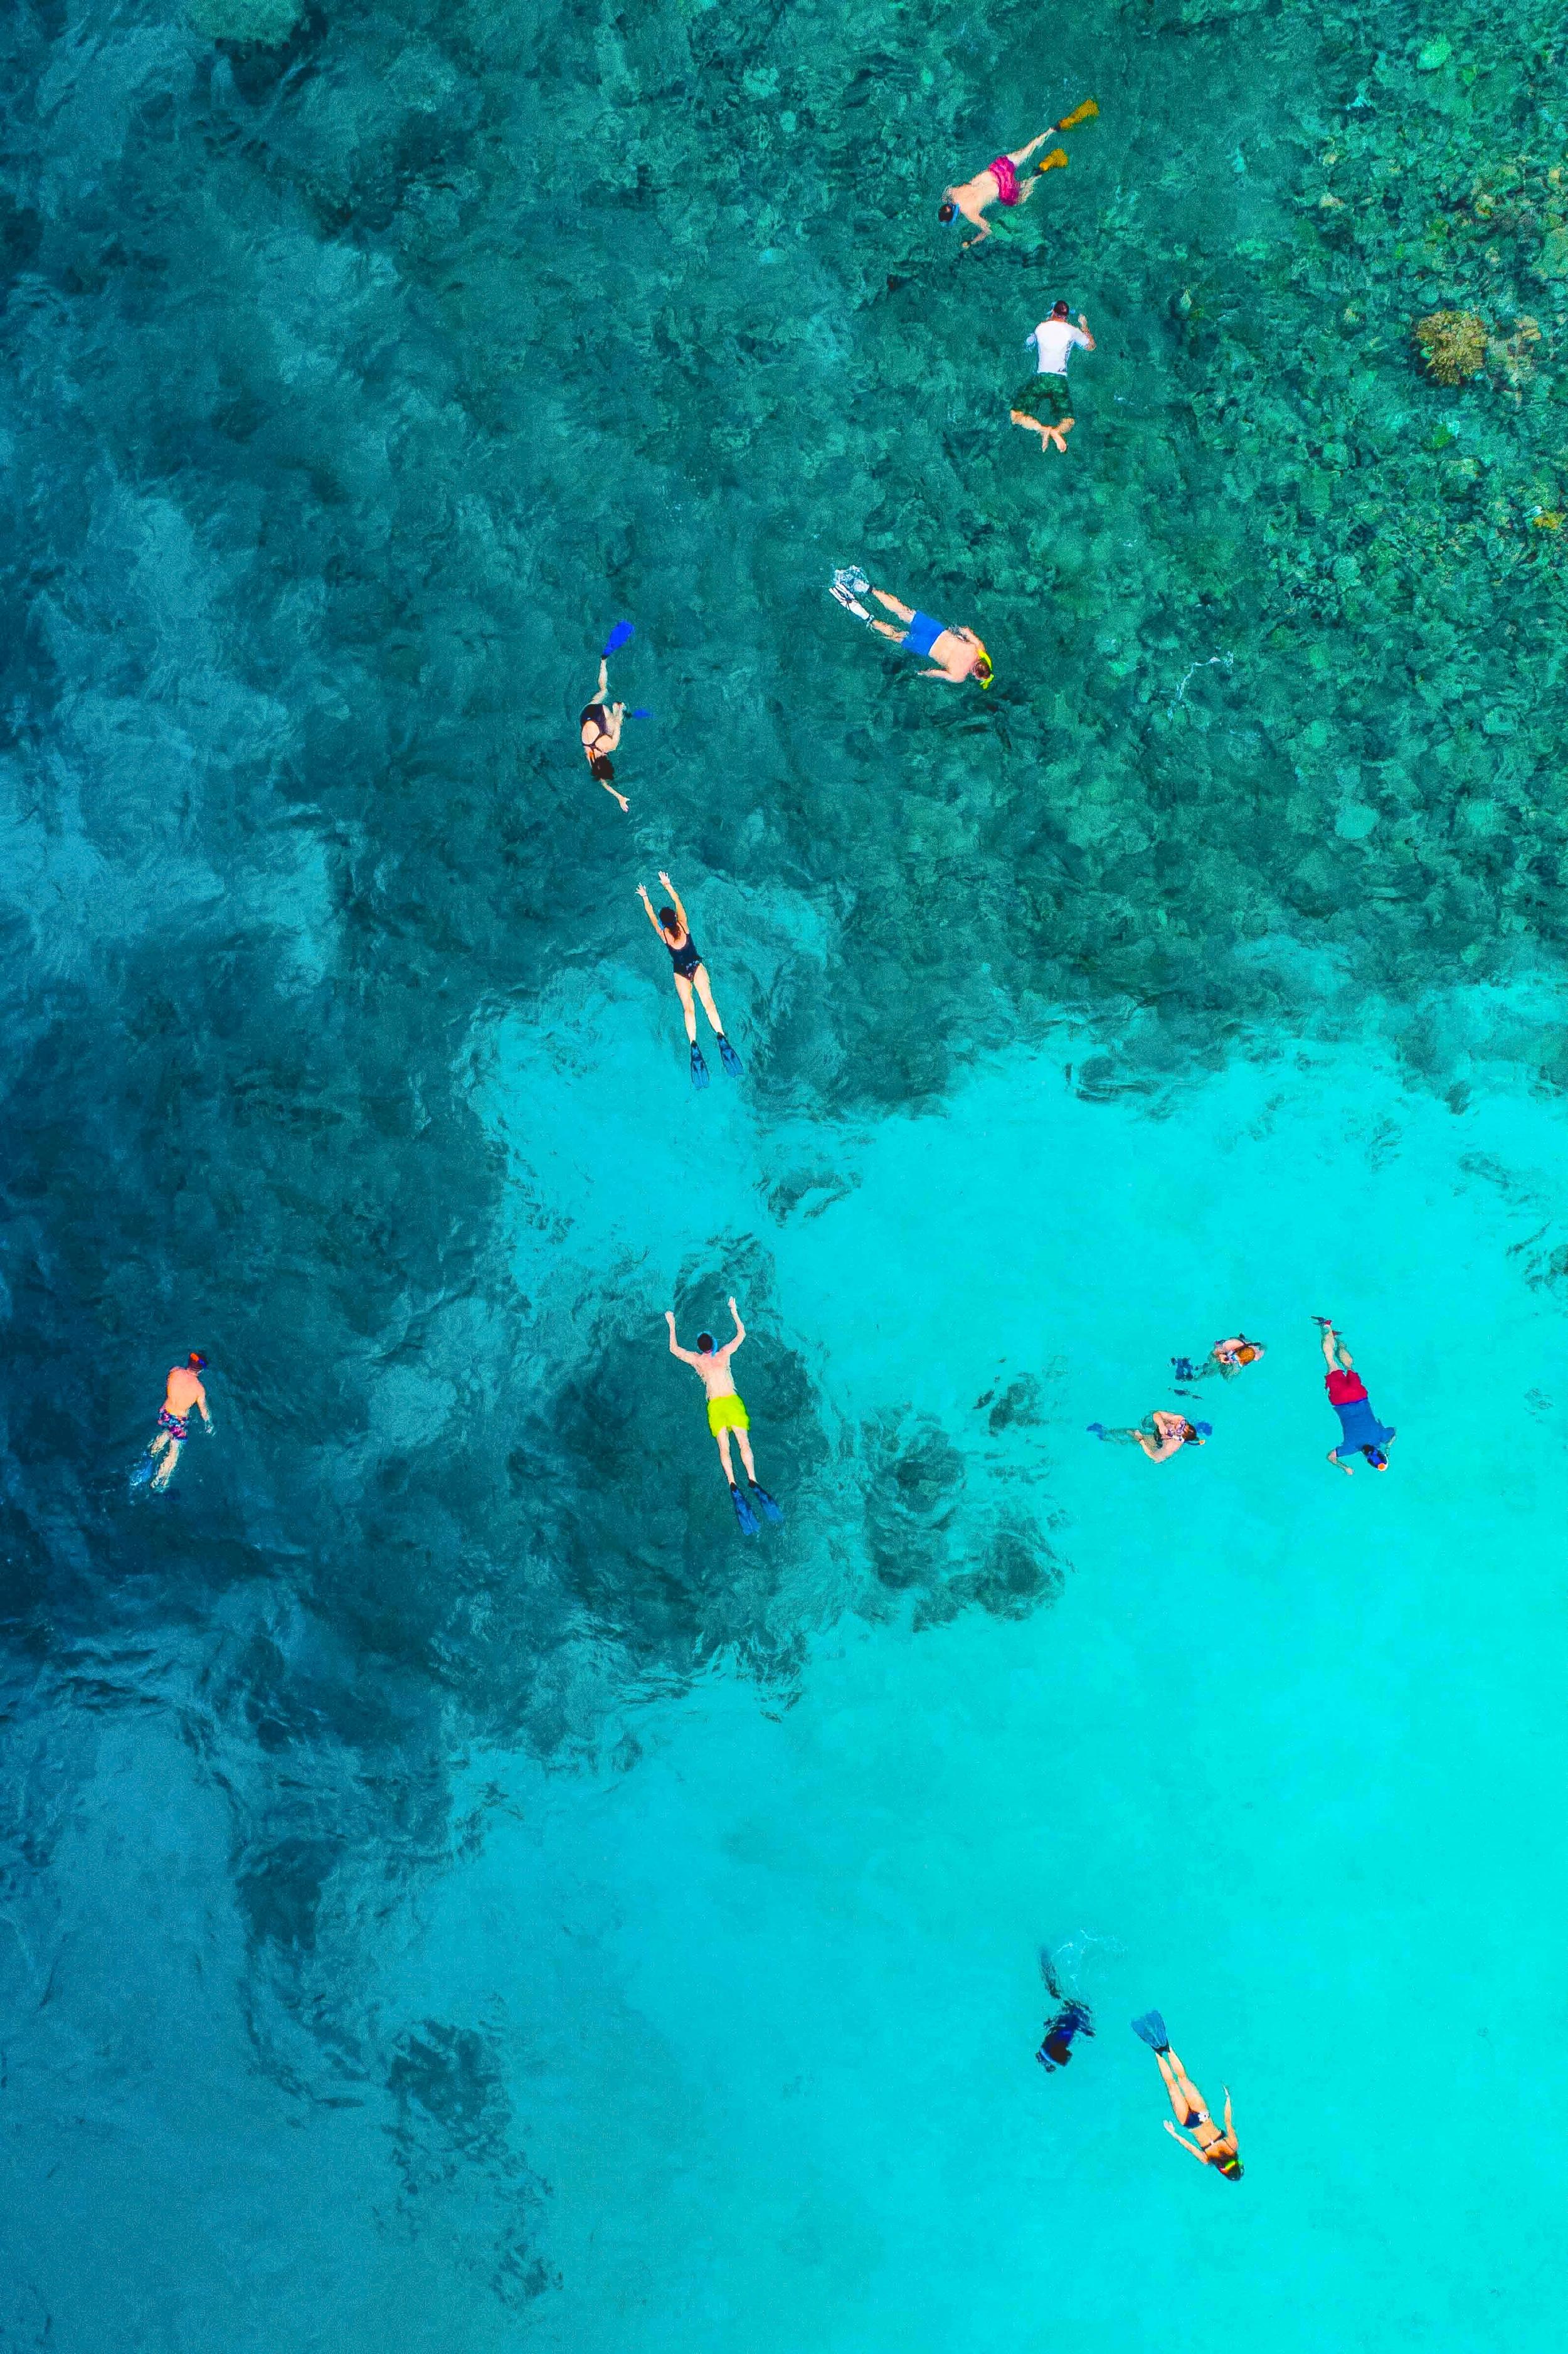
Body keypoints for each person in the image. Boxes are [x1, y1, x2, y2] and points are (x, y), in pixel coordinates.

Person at [665, 1297, 783, 1534]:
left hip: (716, 1407)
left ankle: (732, 1484)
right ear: (715, 1345)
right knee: (744, 1442)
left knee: (724, 1449)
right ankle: (753, 1479)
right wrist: (734, 1310)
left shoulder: (697, 1361)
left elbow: (674, 1349)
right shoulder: (725, 1354)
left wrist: (672, 1324)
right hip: (731, 1402)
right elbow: (742, 1334)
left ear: (701, 1348)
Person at [637, 872, 743, 1091]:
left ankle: (694, 1044)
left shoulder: (664, 935)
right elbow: (678, 902)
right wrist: (668, 885)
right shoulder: (683, 925)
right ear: (675, 917)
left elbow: (650, 916)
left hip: (680, 973)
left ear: (663, 922)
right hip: (696, 967)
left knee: (689, 1010)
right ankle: (720, 1036)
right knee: (709, 1003)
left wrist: (645, 897)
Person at [1131, 2013, 1242, 2180]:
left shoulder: (1233, 2146)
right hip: (1189, 2123)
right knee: (1171, 2085)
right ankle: (1156, 2052)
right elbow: (1189, 2146)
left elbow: (1228, 2120)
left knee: (1183, 2079)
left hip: (1203, 2116)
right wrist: (1173, 2133)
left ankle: (1168, 2048)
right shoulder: (1208, 2160)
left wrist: (1228, 2099)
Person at [938, 129, 1069, 247]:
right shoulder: (953, 192)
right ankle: (1052, 130)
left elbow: (988, 231)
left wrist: (972, 242)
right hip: (998, 169)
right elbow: (946, 193)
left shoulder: (970, 215)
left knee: (1022, 197)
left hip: (1004, 189)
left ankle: (1040, 172)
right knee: (1027, 150)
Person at [1011, 300, 1095, 456]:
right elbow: (1091, 346)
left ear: (1053, 312)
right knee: (1069, 421)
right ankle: (1056, 432)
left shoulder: (1040, 328)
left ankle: (1042, 429)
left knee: (1016, 416)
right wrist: (1084, 325)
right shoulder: (1073, 331)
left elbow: (1027, 345)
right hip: (1059, 381)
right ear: (1066, 316)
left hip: (1041, 378)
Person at [866, 586, 993, 686]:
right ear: (976, 676)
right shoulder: (959, 676)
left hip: (936, 631)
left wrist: (955, 632)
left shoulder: (979, 648)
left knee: (904, 611)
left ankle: (871, 590)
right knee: (896, 635)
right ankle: (870, 619)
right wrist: (922, 674)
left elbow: (965, 630)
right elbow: (934, 673)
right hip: (926, 647)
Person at [1316, 1318, 1396, 1474]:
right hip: (1341, 1401)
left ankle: (1339, 1341)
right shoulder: (1350, 1447)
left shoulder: (1381, 1436)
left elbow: (1394, 1432)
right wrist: (1344, 1467)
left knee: (1349, 1366)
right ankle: (1326, 1327)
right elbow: (1330, 1457)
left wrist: (1388, 1448)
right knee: (1330, 1361)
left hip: (1359, 1396)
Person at [143, 1353, 212, 1491]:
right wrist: (209, 1424)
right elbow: (204, 1411)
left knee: (167, 1432)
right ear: (201, 1370)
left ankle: (149, 1456)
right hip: (178, 1421)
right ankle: (159, 1483)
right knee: (174, 1452)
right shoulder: (199, 1389)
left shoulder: (174, 1371)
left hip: (165, 1413)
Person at [580, 654, 628, 812]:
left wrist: (619, 714)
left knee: (617, 725)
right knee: (603, 690)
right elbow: (603, 782)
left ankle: (616, 709)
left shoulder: (610, 746)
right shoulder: (591, 757)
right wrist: (618, 796)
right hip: (586, 713)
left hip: (602, 714)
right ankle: (603, 663)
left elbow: (619, 727)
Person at [1035, 1946, 1095, 2073]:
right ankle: (1044, 1958)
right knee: (1054, 1990)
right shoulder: (1048, 2050)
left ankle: (1044, 1956)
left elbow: (1072, 2025)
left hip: (1070, 2012)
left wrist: (1086, 2030)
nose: (1068, 2050)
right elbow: (1040, 2055)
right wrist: (1048, 2066)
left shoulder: (1064, 2036)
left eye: (1066, 2051)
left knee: (1056, 1991)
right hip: (1060, 2018)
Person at [1087, 1409, 1208, 1461]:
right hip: (1156, 1428)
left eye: (1179, 1429)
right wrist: (1161, 1425)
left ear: (1179, 1437)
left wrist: (1142, 1442)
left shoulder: (1172, 1445)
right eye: (1182, 1424)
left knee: (1131, 1433)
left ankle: (1105, 1435)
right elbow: (1157, 1414)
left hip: (1155, 1441)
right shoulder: (1179, 1419)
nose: (1177, 1425)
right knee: (1148, 1420)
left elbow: (1156, 1458)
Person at [1172, 1334, 1266, 1383]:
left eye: (1239, 1363)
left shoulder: (1256, 1356)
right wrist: (1220, 1356)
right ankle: (1198, 1372)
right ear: (1236, 1352)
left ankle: (1199, 1375)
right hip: (1221, 1351)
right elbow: (1215, 1351)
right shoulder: (1232, 1344)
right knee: (1213, 1367)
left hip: (1236, 1353)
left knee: (1219, 1373)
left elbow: (1265, 1347)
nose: (1234, 1361)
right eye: (1235, 1359)